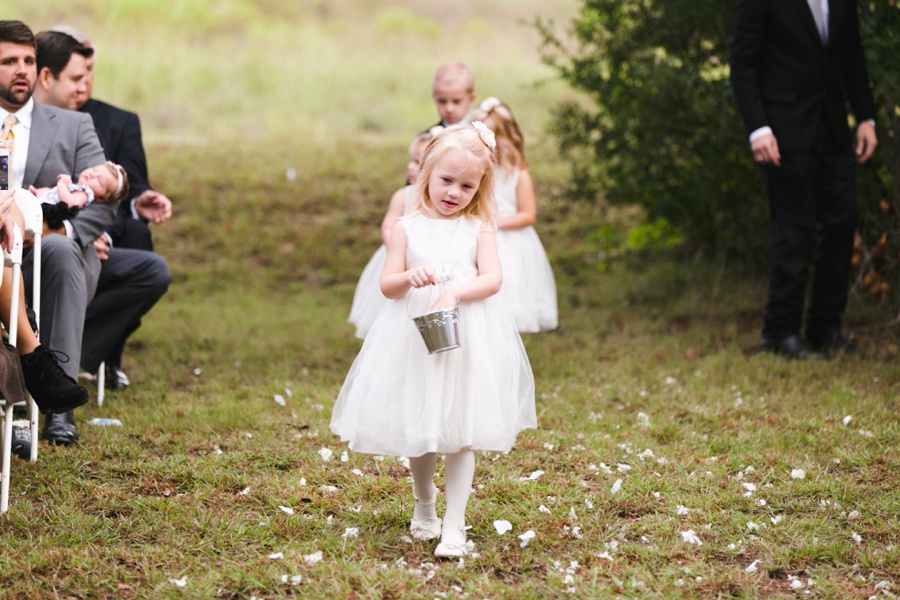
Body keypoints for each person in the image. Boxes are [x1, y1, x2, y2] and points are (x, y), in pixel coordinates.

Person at [331, 123, 536, 558]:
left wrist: (455, 291)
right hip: (414, 337)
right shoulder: (407, 226)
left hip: (468, 335)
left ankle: (455, 526)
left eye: (467, 185)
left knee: (461, 431)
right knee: (421, 428)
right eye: (446, 180)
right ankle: (425, 505)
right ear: (426, 172)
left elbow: (493, 278)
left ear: (480, 187)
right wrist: (409, 277)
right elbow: (387, 285)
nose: (454, 192)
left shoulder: (479, 226)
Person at [730, 0, 878, 359]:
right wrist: (758, 129)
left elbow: (850, 52)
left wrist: (866, 117)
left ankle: (824, 328)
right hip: (781, 132)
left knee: (842, 222)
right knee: (794, 230)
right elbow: (743, 64)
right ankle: (780, 333)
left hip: (832, 127)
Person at [42, 27, 172, 389]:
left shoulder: (106, 121)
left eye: (89, 74)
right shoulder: (25, 123)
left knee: (143, 249)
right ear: (47, 75)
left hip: (96, 230)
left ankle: (87, 353)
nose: (83, 85)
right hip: (44, 232)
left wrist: (136, 199)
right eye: (76, 77)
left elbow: (120, 186)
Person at [2, 21, 112, 445]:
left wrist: (53, 227)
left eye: (28, 61)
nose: (22, 70)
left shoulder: (71, 125)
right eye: (9, 61)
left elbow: (103, 199)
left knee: (63, 248)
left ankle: (59, 406)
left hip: (44, 254)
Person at [469, 97, 558, 332]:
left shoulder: (518, 173)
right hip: (480, 234)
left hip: (511, 240)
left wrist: (494, 223)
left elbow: (528, 215)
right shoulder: (474, 171)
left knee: (512, 284)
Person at [348, 131, 434, 339]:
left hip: (425, 262)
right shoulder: (403, 195)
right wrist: (400, 253)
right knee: (392, 311)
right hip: (396, 258)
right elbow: (387, 226)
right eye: (410, 160)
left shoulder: (442, 202)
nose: (409, 167)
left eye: (416, 162)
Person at [33, 160, 129, 230]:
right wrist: (38, 192)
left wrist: (62, 185)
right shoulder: (73, 186)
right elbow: (52, 193)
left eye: (99, 180)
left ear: (102, 198)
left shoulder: (85, 194)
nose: (92, 175)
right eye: (95, 170)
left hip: (44, 215)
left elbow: (69, 204)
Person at [428, 62, 477, 130]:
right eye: (442, 101)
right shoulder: (430, 137)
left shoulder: (483, 133)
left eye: (456, 101)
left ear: (471, 99)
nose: (449, 109)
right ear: (434, 98)